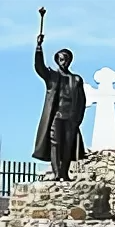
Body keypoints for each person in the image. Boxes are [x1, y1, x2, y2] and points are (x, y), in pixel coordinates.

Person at [33, 33, 86, 181]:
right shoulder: (52, 76)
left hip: (71, 117)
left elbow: (82, 101)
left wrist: (78, 120)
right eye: (61, 59)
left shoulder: (76, 79)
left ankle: (64, 173)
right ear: (57, 60)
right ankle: (57, 174)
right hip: (56, 116)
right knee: (55, 144)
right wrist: (39, 47)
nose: (64, 62)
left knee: (68, 145)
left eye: (66, 59)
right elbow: (39, 67)